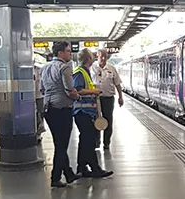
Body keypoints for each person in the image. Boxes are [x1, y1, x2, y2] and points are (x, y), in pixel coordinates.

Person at [40, 41, 81, 188]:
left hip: (48, 109)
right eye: (68, 51)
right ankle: (57, 177)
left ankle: (65, 174)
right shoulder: (65, 68)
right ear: (60, 53)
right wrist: (78, 97)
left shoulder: (44, 68)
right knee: (62, 145)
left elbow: (42, 90)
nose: (70, 53)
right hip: (62, 109)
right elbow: (70, 90)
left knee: (59, 144)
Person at [72, 48, 113, 179]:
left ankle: (82, 167)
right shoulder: (80, 72)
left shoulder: (85, 72)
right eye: (92, 57)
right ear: (88, 59)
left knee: (85, 140)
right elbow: (78, 90)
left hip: (86, 112)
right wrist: (94, 92)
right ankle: (95, 168)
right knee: (89, 140)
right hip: (82, 111)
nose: (94, 58)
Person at [91, 48, 123, 150]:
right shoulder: (91, 68)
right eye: (101, 56)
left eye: (105, 56)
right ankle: (96, 142)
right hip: (95, 99)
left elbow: (117, 83)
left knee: (108, 120)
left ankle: (106, 142)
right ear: (97, 56)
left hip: (108, 99)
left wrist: (120, 97)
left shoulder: (112, 68)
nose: (104, 58)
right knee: (96, 120)